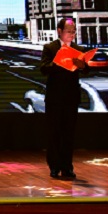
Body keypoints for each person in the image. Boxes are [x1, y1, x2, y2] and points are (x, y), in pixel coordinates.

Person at [39, 17, 88, 179]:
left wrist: (83, 66)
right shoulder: (50, 47)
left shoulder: (78, 49)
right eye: (68, 31)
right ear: (59, 31)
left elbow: (86, 70)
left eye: (73, 32)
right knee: (54, 133)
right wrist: (59, 62)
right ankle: (54, 166)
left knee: (69, 134)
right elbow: (43, 68)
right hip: (54, 97)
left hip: (71, 97)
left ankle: (67, 167)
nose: (71, 34)